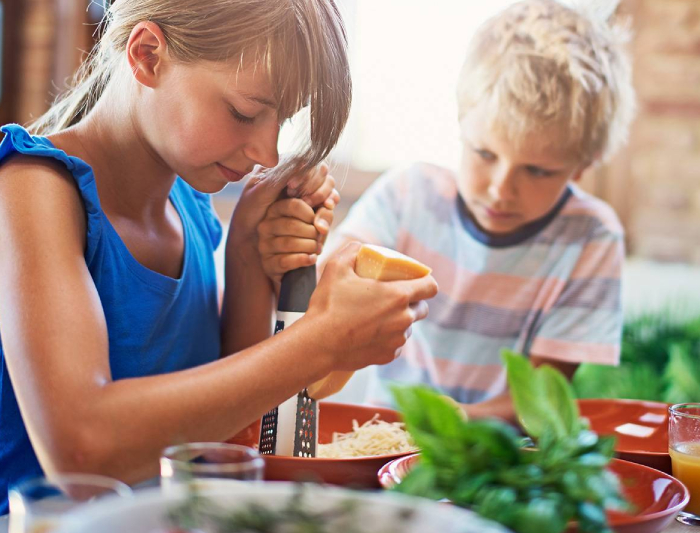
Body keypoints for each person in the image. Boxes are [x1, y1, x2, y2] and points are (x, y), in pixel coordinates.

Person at [0, 0, 437, 513]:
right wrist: (323, 341)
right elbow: (83, 451)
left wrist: (249, 257)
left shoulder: (191, 209)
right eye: (245, 113)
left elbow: (230, 435)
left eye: (282, 121)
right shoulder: (31, 190)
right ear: (146, 55)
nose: (268, 154)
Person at [275, 0, 634, 421]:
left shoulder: (592, 238)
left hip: (494, 456)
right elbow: (330, 289)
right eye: (484, 153)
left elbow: (539, 399)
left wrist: (454, 422)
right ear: (462, 123)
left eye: (536, 171)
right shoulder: (408, 195)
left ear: (584, 166)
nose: (501, 189)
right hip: (379, 440)